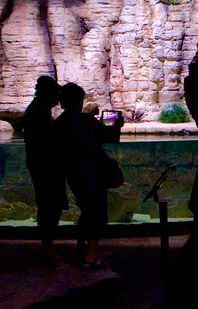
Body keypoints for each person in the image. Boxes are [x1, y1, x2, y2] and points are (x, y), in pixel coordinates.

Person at [53, 82, 123, 269]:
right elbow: (108, 136)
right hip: (93, 173)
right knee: (97, 213)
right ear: (79, 101)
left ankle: (80, 251)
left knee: (86, 210)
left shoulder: (58, 124)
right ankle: (90, 256)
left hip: (72, 174)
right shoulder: (85, 121)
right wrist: (116, 125)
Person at [23, 75, 66, 259]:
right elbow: (47, 140)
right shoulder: (38, 112)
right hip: (44, 166)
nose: (58, 97)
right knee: (50, 205)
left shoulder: (38, 110)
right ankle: (47, 247)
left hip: (41, 164)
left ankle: (47, 245)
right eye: (56, 93)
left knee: (48, 205)